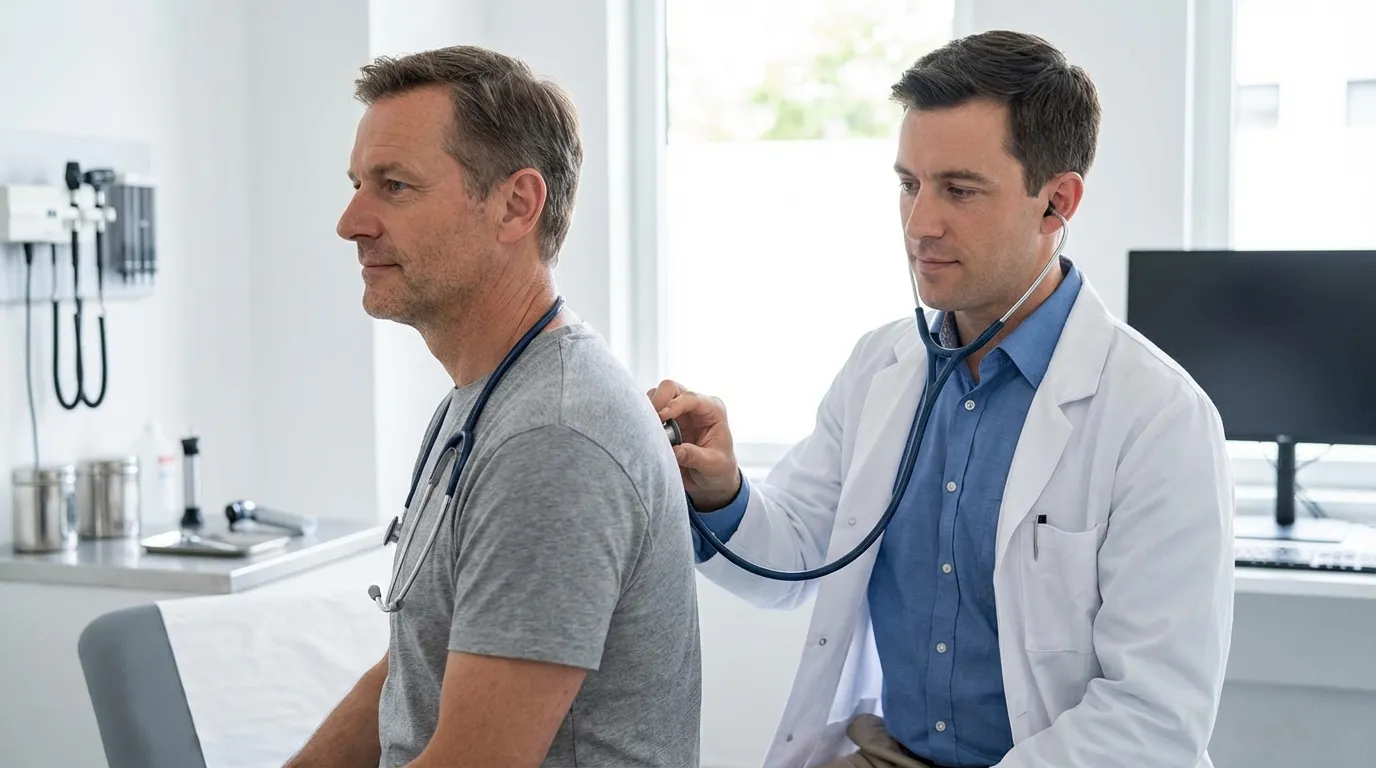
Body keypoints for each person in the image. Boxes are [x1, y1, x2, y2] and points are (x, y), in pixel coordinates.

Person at [651, 30, 1234, 768]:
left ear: (1057, 203)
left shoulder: (1158, 420)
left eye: (959, 190)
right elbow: (800, 557)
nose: (919, 224)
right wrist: (722, 492)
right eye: (909, 184)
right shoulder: (879, 367)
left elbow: (1151, 718)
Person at [286, 45, 702, 768]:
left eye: (395, 186)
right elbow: (416, 669)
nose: (350, 221)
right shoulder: (484, 399)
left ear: (516, 205)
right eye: (357, 184)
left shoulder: (554, 438)